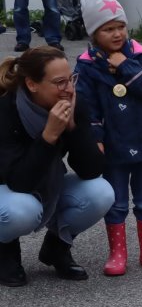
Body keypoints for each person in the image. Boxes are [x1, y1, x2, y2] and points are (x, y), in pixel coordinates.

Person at [73, 0, 142, 275]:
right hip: (113, 143)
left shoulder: (140, 56)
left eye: (120, 26)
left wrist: (125, 65)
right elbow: (86, 108)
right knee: (116, 202)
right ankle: (117, 254)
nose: (117, 33)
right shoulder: (87, 65)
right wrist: (95, 139)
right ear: (94, 33)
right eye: (108, 29)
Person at [0, 46, 113, 286]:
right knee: (21, 210)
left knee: (101, 193)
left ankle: (56, 247)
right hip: (6, 188)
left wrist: (73, 129)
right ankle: (5, 251)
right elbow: (19, 182)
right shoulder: (6, 109)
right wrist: (49, 136)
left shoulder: (71, 102)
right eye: (60, 83)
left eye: (71, 79)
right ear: (32, 85)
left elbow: (92, 169)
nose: (70, 89)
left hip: (37, 183)